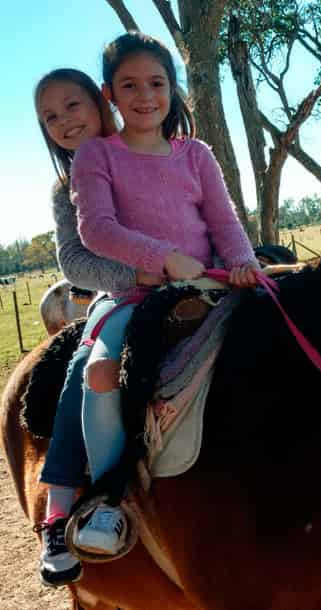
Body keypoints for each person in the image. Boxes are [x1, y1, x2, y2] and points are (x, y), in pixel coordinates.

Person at [69, 31, 262, 556]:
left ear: (172, 89)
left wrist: (242, 263)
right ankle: (111, 499)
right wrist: (162, 259)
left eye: (156, 82)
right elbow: (97, 230)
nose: (145, 95)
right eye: (129, 85)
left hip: (210, 285)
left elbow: (224, 223)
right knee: (100, 372)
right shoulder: (96, 156)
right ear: (110, 95)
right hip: (138, 295)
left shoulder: (196, 154)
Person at [33, 68, 167, 586]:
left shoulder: (149, 153)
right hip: (124, 294)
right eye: (50, 116)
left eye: (73, 106)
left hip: (190, 277)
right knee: (85, 371)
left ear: (101, 102)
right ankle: (60, 510)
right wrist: (135, 274)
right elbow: (73, 260)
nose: (63, 121)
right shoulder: (66, 188)